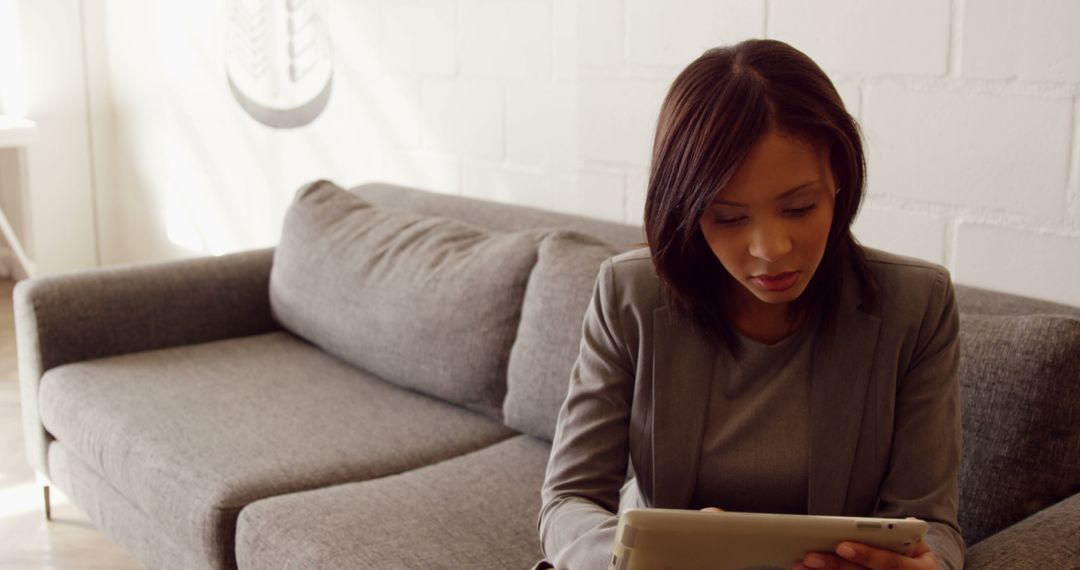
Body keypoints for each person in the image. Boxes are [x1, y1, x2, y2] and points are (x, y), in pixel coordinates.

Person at [538, 39, 964, 570]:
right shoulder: (630, 294)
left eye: (799, 207)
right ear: (687, 211)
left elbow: (931, 522)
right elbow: (567, 502)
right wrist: (661, 553)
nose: (771, 250)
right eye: (730, 218)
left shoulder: (915, 306)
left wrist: (928, 566)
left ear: (839, 175)